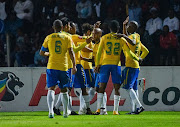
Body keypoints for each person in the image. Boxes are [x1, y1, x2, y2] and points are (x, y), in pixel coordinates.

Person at [94, 20, 140, 115]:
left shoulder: (104, 38)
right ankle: (115, 111)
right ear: (118, 29)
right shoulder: (121, 39)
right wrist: (137, 58)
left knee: (102, 87)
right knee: (116, 88)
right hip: (116, 65)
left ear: (109, 29)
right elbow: (128, 52)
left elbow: (99, 53)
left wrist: (97, 64)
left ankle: (98, 109)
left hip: (105, 64)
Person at [53, 19, 92, 116]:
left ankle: (86, 109)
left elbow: (78, 48)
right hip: (72, 65)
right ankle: (57, 108)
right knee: (69, 89)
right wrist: (91, 34)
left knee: (78, 88)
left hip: (74, 64)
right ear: (66, 27)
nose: (73, 28)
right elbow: (83, 42)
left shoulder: (65, 37)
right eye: (72, 27)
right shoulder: (71, 37)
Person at [39, 19, 77, 118]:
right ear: (62, 27)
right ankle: (65, 112)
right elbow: (71, 52)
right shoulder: (67, 37)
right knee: (64, 90)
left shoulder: (49, 37)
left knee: (51, 88)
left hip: (52, 66)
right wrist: (74, 65)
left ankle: (51, 112)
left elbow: (41, 53)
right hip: (64, 67)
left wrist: (49, 53)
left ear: (53, 28)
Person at [118, 18, 149, 114]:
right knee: (134, 88)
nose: (127, 27)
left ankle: (139, 106)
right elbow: (146, 51)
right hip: (135, 66)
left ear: (134, 28)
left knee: (127, 87)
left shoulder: (134, 37)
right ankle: (133, 110)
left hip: (130, 66)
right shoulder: (136, 36)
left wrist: (123, 35)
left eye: (129, 26)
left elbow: (132, 42)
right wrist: (140, 58)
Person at [81, 27, 108, 115]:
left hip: (102, 68)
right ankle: (96, 108)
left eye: (95, 34)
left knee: (101, 88)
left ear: (100, 35)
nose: (93, 36)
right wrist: (84, 58)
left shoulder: (102, 44)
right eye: (93, 34)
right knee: (96, 89)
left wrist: (99, 65)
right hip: (97, 69)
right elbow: (94, 59)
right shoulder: (95, 45)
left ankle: (103, 109)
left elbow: (105, 57)